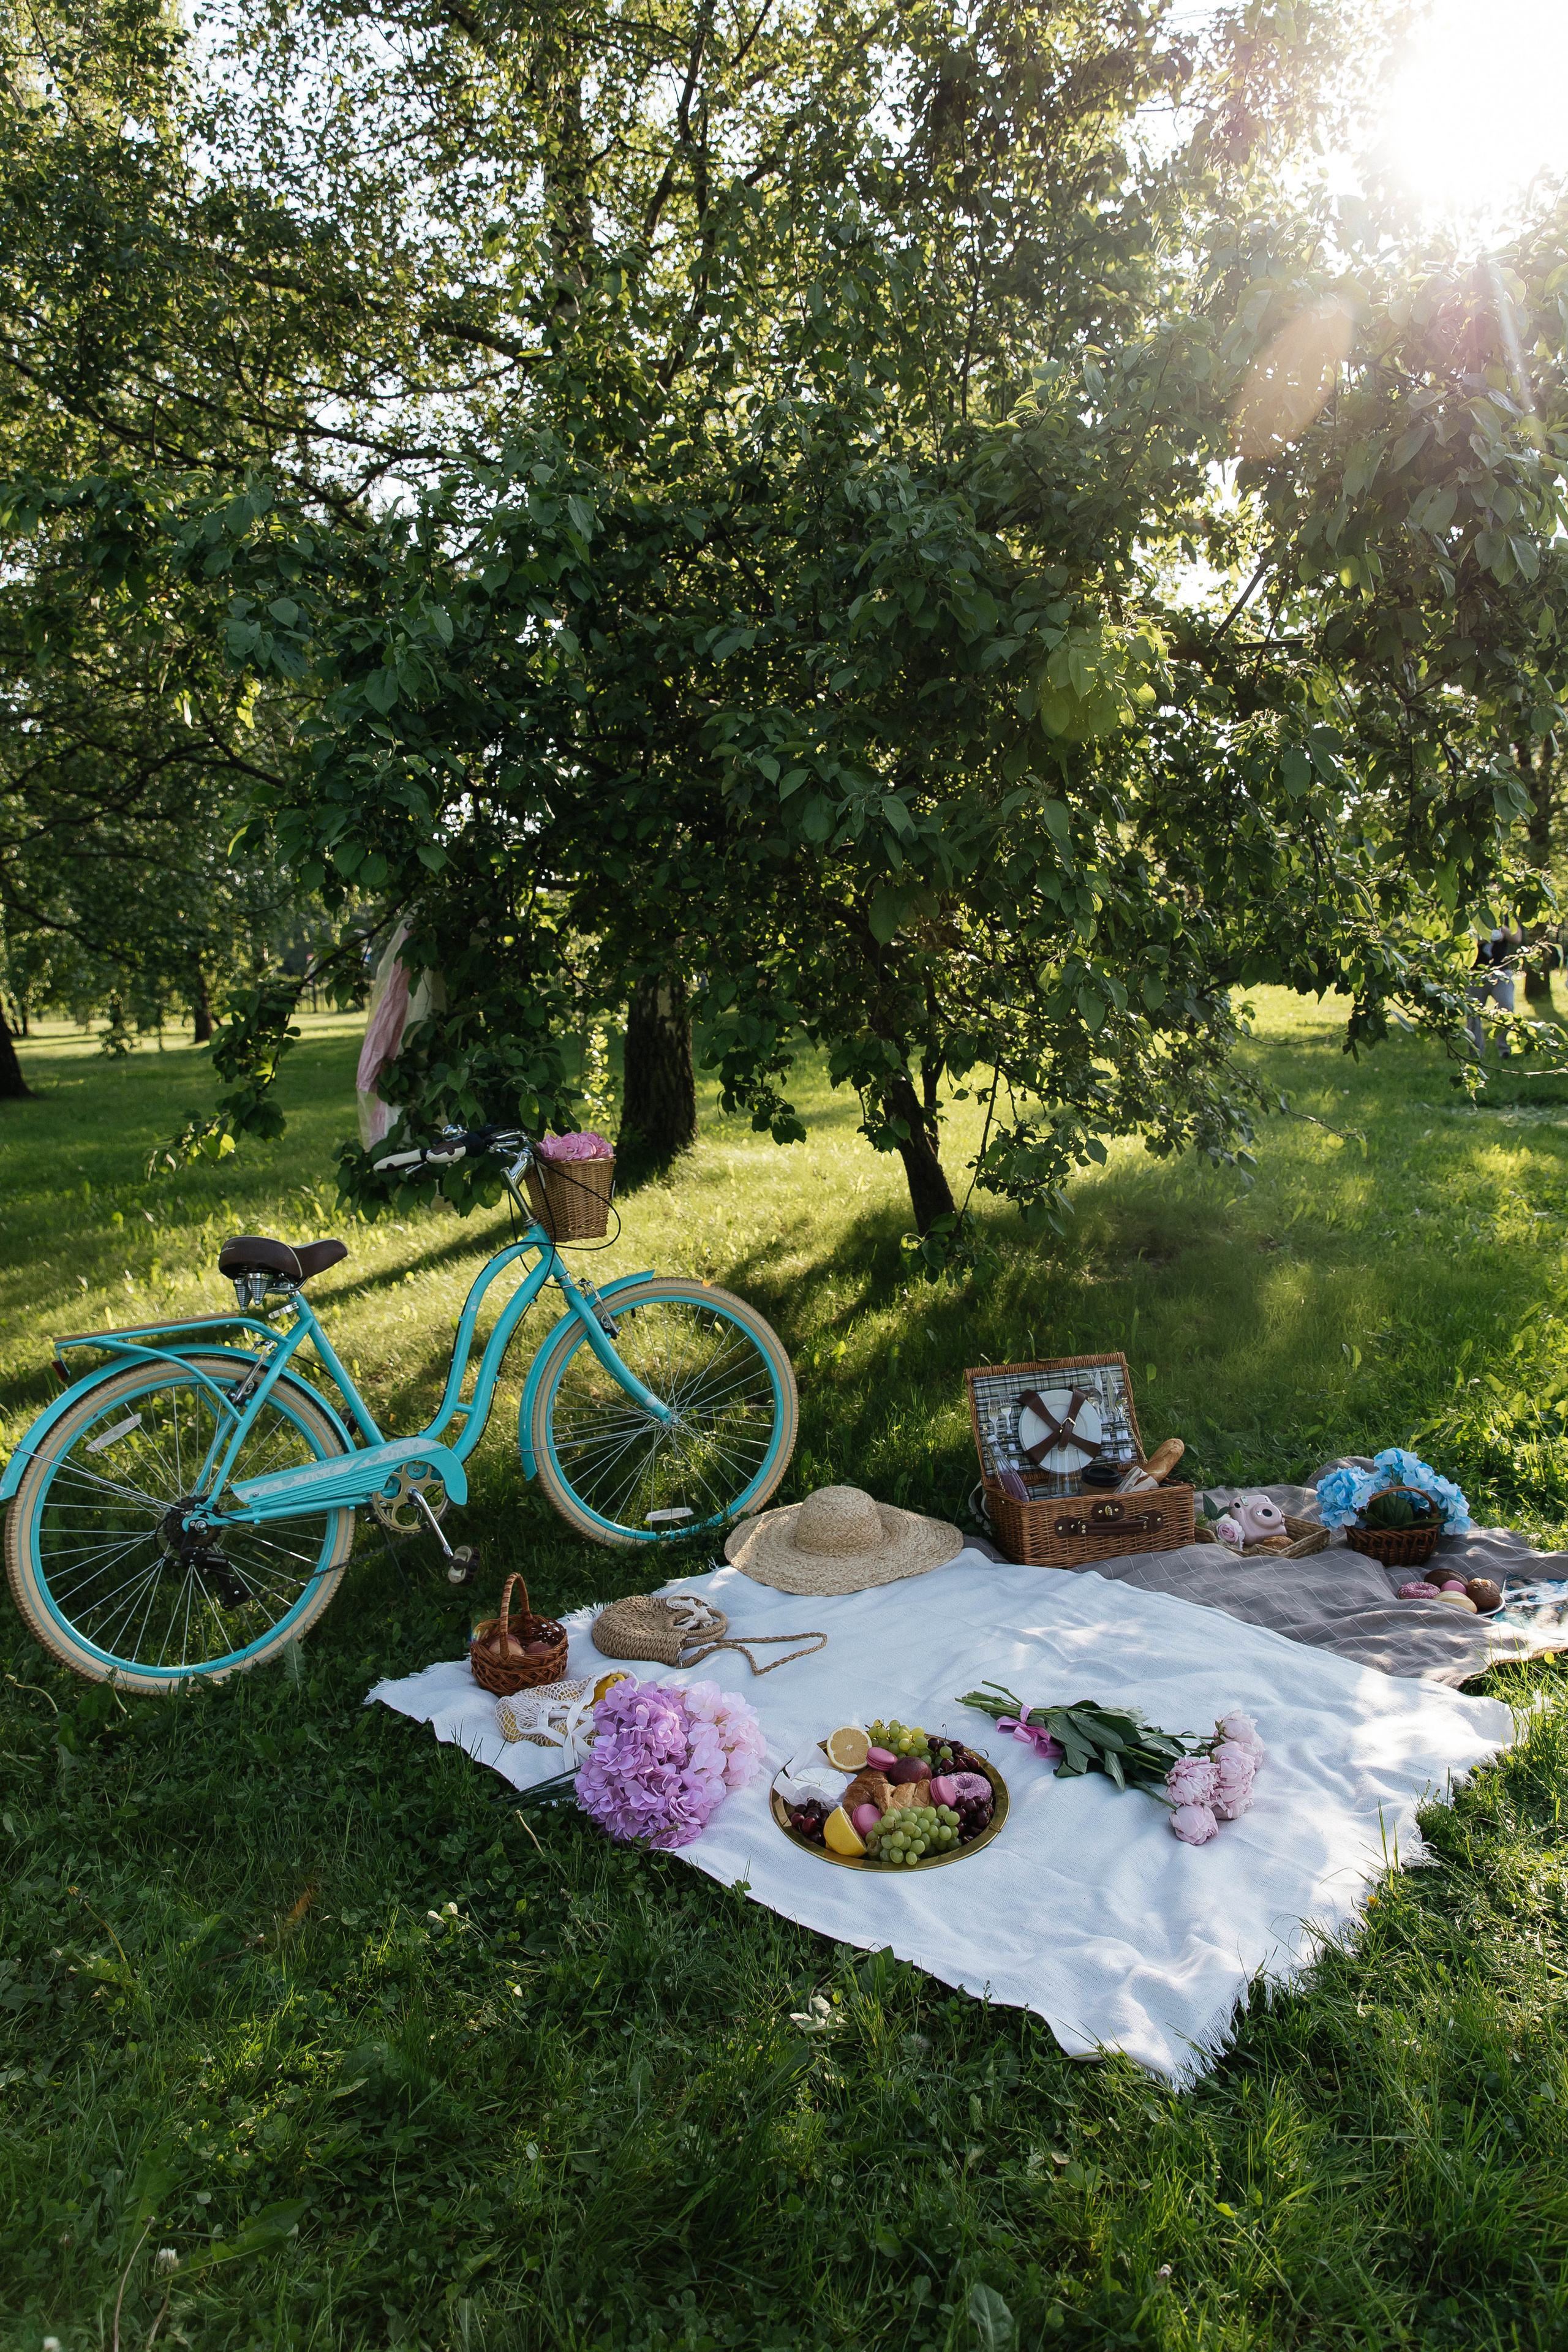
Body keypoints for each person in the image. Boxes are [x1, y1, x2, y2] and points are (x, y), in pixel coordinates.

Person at [1467, 925, 1523, 1057]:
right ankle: (1475, 1053)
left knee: (1506, 1007)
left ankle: (1505, 1050)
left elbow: (1517, 937)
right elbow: (1463, 940)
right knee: (1473, 1013)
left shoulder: (1506, 915)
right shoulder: (1472, 914)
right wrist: (1485, 936)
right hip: (1475, 972)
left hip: (1501, 971)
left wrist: (1500, 927)